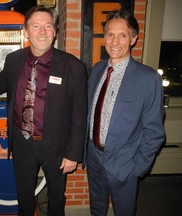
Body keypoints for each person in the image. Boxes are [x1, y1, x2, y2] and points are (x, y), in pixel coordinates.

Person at [0, 5, 87, 216]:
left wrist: (73, 154)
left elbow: (80, 115)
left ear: (54, 31)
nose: (42, 32)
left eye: (47, 26)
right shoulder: (14, 59)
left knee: (56, 196)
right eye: (36, 26)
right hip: (21, 142)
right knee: (24, 194)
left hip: (55, 145)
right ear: (26, 32)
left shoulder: (73, 67)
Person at [82, 10, 165, 216]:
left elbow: (154, 132)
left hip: (125, 165)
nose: (115, 41)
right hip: (94, 158)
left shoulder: (148, 79)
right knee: (97, 210)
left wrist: (137, 169)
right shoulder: (97, 69)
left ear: (133, 39)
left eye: (122, 35)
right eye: (110, 34)